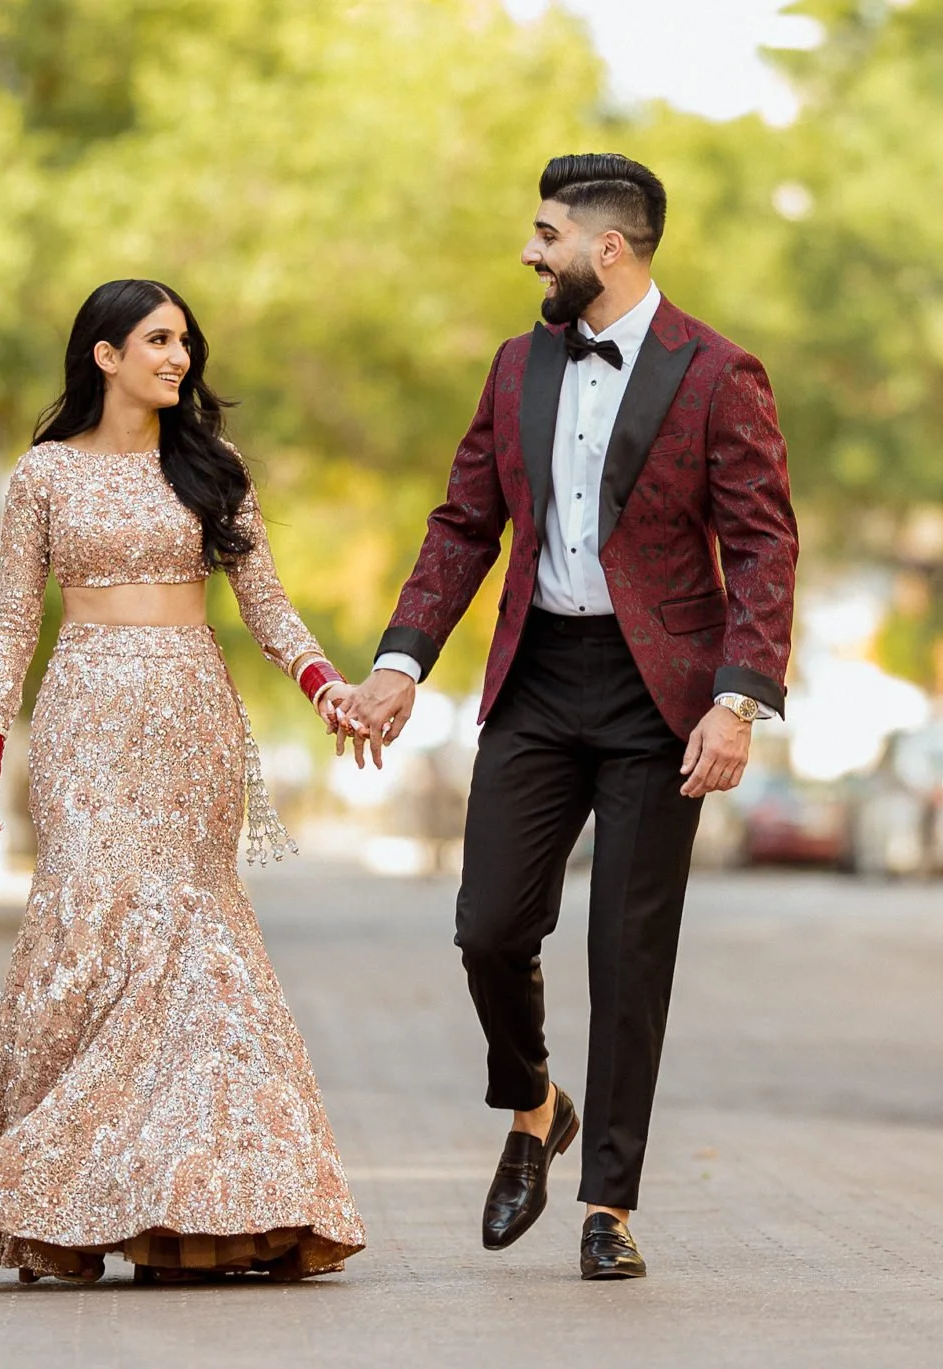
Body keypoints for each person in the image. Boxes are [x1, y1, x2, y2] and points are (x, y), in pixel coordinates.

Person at [339, 153, 798, 1280]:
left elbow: (762, 544)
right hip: (538, 677)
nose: (528, 252)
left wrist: (736, 701)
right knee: (489, 924)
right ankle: (536, 1101)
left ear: (607, 250)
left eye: (544, 234)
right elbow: (462, 526)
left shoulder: (716, 372)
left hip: (659, 696)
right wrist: (402, 660)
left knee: (626, 953)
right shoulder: (513, 367)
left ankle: (609, 1207)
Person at [0, 279, 365, 1286]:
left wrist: (327, 688)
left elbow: (266, 608)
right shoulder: (42, 475)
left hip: (190, 721)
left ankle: (199, 1217)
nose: (178, 358)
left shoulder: (211, 469)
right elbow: (11, 626)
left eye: (184, 343)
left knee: (191, 944)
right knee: (92, 934)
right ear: (104, 354)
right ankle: (62, 1209)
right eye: (157, 340)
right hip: (85, 720)